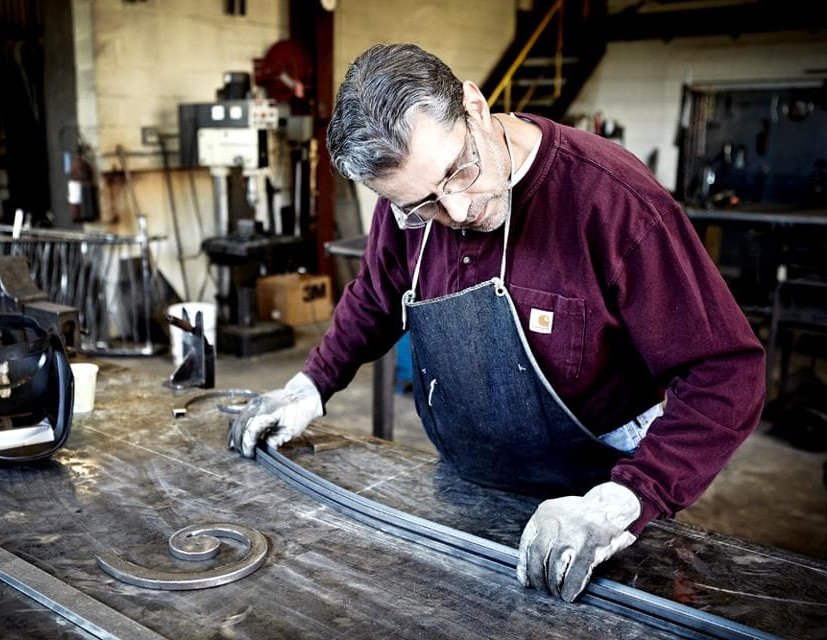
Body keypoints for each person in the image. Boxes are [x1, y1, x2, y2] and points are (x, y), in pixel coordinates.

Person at [229, 43, 765, 602]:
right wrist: (310, 386)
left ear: (475, 107)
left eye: (458, 171)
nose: (458, 211)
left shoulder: (613, 201)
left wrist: (625, 500)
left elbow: (726, 372)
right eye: (424, 206)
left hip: (602, 494)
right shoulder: (407, 204)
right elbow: (376, 295)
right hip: (469, 482)